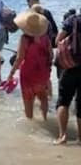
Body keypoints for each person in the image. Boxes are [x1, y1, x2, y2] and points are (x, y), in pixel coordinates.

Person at [7, 10, 52, 120]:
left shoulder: (24, 39)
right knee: (43, 97)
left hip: (28, 73)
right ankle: (45, 119)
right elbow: (51, 55)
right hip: (42, 72)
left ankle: (31, 123)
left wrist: (11, 73)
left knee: (28, 100)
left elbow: (19, 58)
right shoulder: (45, 38)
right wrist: (48, 69)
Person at [54, 11, 81, 144]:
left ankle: (62, 136)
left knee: (63, 101)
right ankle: (80, 138)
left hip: (71, 66)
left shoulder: (72, 20)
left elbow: (57, 40)